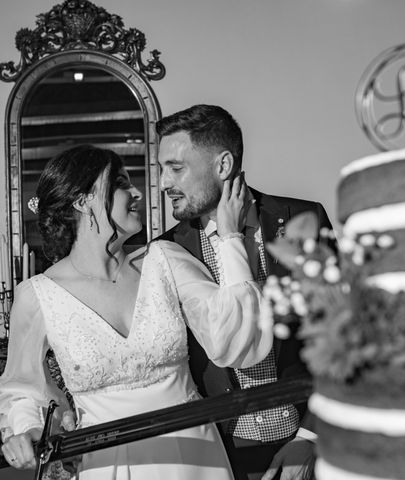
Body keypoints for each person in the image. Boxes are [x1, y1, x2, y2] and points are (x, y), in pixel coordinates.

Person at [0, 145, 273, 479]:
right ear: (83, 201)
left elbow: (237, 340)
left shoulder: (165, 259)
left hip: (193, 454)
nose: (136, 192)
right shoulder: (37, 295)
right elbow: (23, 389)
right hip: (106, 465)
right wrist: (28, 428)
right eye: (121, 182)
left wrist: (231, 236)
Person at [156, 104, 335, 480]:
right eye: (161, 169)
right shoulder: (170, 250)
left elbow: (342, 339)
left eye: (175, 168)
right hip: (219, 452)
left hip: (309, 443)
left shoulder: (305, 220)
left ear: (223, 166)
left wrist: (310, 436)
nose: (163, 183)